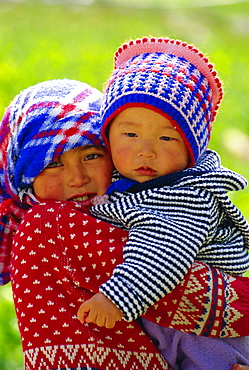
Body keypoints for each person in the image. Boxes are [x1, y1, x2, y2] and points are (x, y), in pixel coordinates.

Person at [1, 79, 248, 370]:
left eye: (92, 156)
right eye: (53, 164)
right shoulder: (49, 223)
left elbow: (164, 254)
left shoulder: (144, 198)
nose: (77, 178)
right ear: (23, 176)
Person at [77, 37, 249, 369]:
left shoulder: (186, 193)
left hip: (210, 339)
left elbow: (165, 249)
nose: (146, 151)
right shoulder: (126, 183)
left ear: (192, 149)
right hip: (170, 324)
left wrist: (117, 297)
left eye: (167, 137)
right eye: (130, 134)